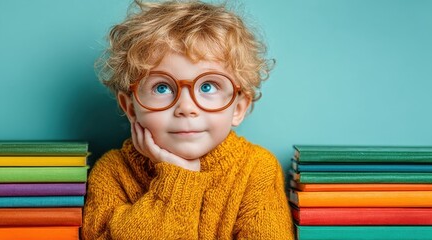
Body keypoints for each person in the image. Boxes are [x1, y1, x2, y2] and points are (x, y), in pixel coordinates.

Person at [82, 1, 293, 239]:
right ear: (130, 107)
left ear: (239, 107)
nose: (186, 108)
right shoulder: (112, 172)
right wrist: (178, 181)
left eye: (207, 86)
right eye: (162, 88)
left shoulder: (257, 169)